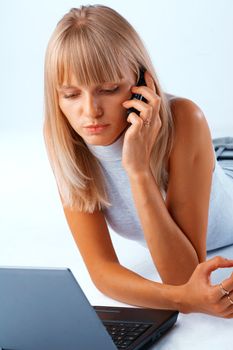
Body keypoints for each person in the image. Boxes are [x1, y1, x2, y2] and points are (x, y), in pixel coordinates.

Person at [43, 4, 233, 318]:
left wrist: (139, 170)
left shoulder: (185, 118)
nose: (90, 111)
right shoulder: (66, 139)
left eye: (108, 89)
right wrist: (185, 299)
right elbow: (103, 272)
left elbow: (185, 276)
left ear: (142, 81)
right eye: (71, 94)